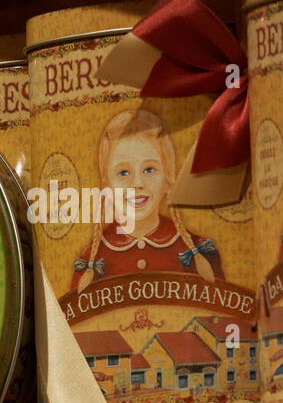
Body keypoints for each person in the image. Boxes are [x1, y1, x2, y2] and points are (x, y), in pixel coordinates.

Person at [73, 109, 222, 290]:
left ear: (168, 178)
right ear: (107, 184)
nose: (137, 183)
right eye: (123, 172)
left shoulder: (199, 253)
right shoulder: (91, 262)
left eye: (149, 170)